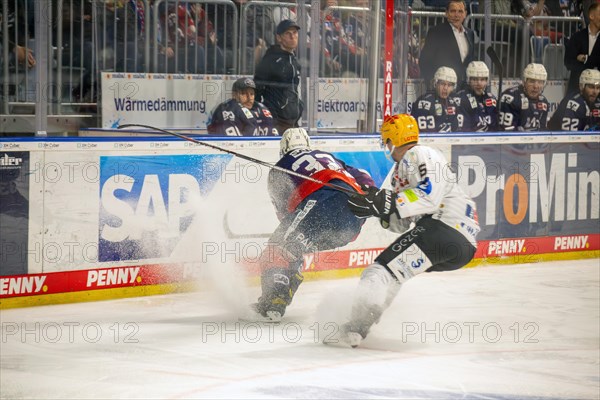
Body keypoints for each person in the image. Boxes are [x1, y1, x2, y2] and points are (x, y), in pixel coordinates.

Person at [341, 114, 480, 347]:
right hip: (458, 243)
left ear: (393, 138)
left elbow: (429, 197)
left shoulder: (419, 153)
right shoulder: (401, 170)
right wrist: (377, 208)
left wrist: (389, 202)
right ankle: (359, 327)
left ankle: (355, 326)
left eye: (386, 139)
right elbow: (402, 224)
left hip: (445, 226)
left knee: (379, 272)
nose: (385, 144)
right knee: (394, 273)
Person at [250, 128, 375, 321]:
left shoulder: (277, 170)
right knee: (294, 248)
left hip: (324, 203)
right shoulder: (327, 156)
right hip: (354, 220)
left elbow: (284, 215)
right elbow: (365, 177)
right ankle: (279, 295)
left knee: (277, 249)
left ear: (283, 149)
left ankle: (273, 301)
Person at [254, 19, 304, 133]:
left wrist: (299, 107)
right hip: (276, 123)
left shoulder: (294, 61)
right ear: (279, 38)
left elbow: (293, 90)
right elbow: (258, 87)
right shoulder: (271, 59)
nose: (293, 36)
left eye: (295, 33)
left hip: (292, 121)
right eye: (288, 33)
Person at [418, 0, 475, 88]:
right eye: (453, 11)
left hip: (463, 89)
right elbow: (425, 61)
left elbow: (469, 62)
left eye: (460, 11)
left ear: (465, 14)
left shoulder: (470, 33)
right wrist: (431, 84)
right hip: (443, 88)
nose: (456, 15)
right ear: (446, 13)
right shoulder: (436, 32)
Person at [207, 77, 278, 136]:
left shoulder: (261, 109)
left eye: (252, 94)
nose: (249, 98)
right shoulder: (227, 110)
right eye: (243, 93)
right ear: (234, 95)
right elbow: (232, 144)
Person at [498, 63, 550, 131]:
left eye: (540, 82)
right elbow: (506, 132)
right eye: (532, 81)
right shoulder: (510, 97)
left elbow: (542, 130)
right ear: (524, 81)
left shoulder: (543, 102)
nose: (536, 86)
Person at [411, 66, 460, 133]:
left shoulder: (452, 103)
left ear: (453, 87)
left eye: (449, 85)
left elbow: (455, 129)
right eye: (442, 84)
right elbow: (421, 131)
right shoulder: (424, 102)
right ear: (435, 83)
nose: (445, 88)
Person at [564, 2, 600, 94]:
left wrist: (585, 58)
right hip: (577, 88)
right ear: (592, 16)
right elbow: (568, 62)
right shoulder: (577, 37)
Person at [453, 61, 499, 132]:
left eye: (482, 79)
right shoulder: (460, 99)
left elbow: (496, 125)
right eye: (475, 79)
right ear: (469, 80)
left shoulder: (491, 98)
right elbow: (463, 129)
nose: (479, 83)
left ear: (487, 81)